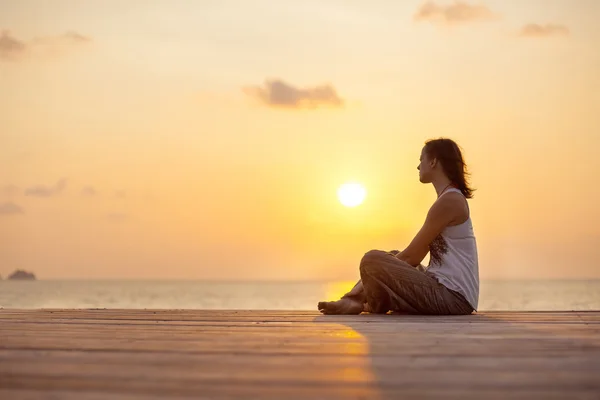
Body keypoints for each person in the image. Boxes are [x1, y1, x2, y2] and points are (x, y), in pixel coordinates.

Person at [318, 138, 479, 315]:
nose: (418, 167)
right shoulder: (448, 199)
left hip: (453, 298)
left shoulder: (449, 201)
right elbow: (413, 255)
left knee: (372, 260)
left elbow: (412, 256)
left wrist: (357, 289)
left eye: (420, 160)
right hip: (447, 292)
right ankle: (369, 303)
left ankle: (355, 301)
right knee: (393, 256)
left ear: (433, 162)